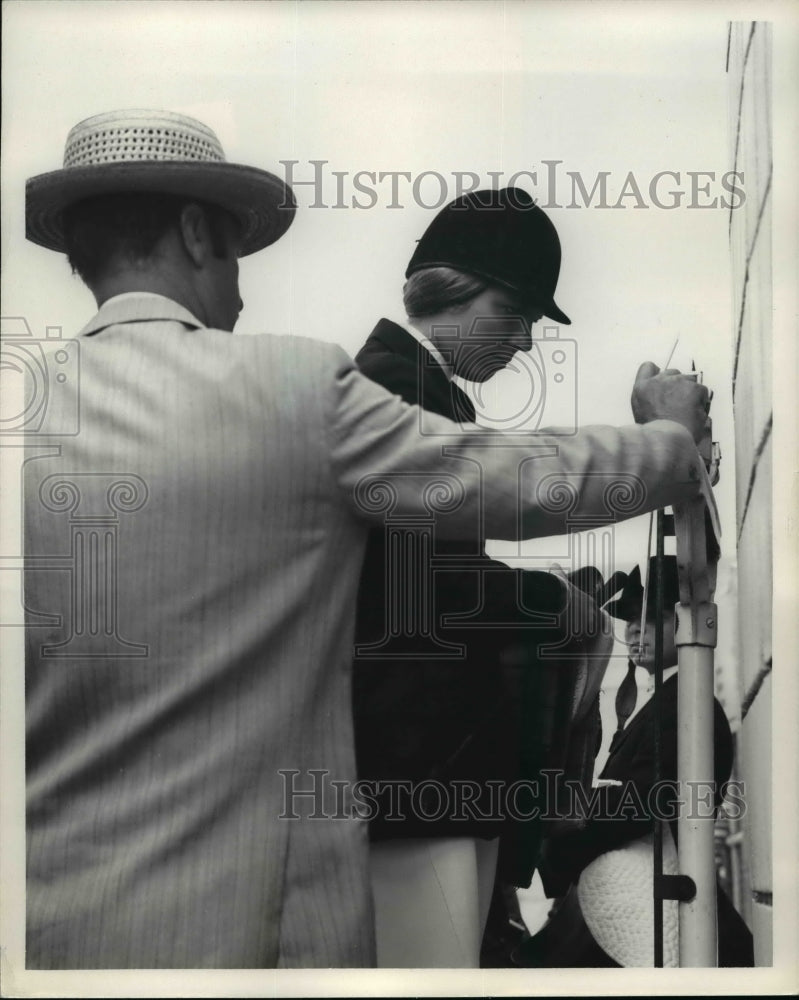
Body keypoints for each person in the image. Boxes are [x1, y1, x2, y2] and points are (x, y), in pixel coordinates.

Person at [23, 108, 712, 969]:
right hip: (267, 916)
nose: (240, 288)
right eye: (237, 251)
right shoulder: (294, 388)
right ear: (197, 234)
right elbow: (522, 481)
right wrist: (670, 445)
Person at [352, 188, 615, 967]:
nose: (528, 341)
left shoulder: (416, 391)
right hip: (414, 779)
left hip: (426, 779)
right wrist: (560, 606)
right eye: (520, 310)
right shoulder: (394, 394)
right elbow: (423, 592)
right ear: (451, 286)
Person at [514, 556, 754, 967]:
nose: (635, 630)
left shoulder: (685, 701)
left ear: (681, 626)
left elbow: (644, 802)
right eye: (630, 621)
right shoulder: (663, 697)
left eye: (652, 619)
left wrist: (561, 822)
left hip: (652, 893)